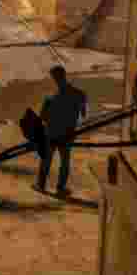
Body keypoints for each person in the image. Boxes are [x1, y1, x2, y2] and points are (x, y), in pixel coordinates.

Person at [35, 63, 88, 197]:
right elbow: (83, 114)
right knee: (64, 162)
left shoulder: (50, 99)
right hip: (68, 134)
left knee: (46, 159)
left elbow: (43, 117)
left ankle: (41, 185)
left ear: (55, 79)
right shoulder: (79, 94)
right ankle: (60, 188)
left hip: (52, 133)